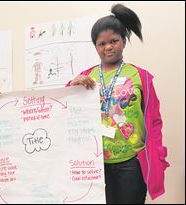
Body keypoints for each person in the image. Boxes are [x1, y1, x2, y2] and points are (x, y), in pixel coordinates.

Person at [67, 4, 169, 204]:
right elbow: (64, 108)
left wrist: (157, 154)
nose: (108, 47)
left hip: (131, 162)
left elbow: (155, 121)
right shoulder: (87, 76)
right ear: (95, 47)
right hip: (95, 163)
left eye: (113, 41)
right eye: (101, 44)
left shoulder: (140, 76)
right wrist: (72, 85)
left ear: (123, 41)